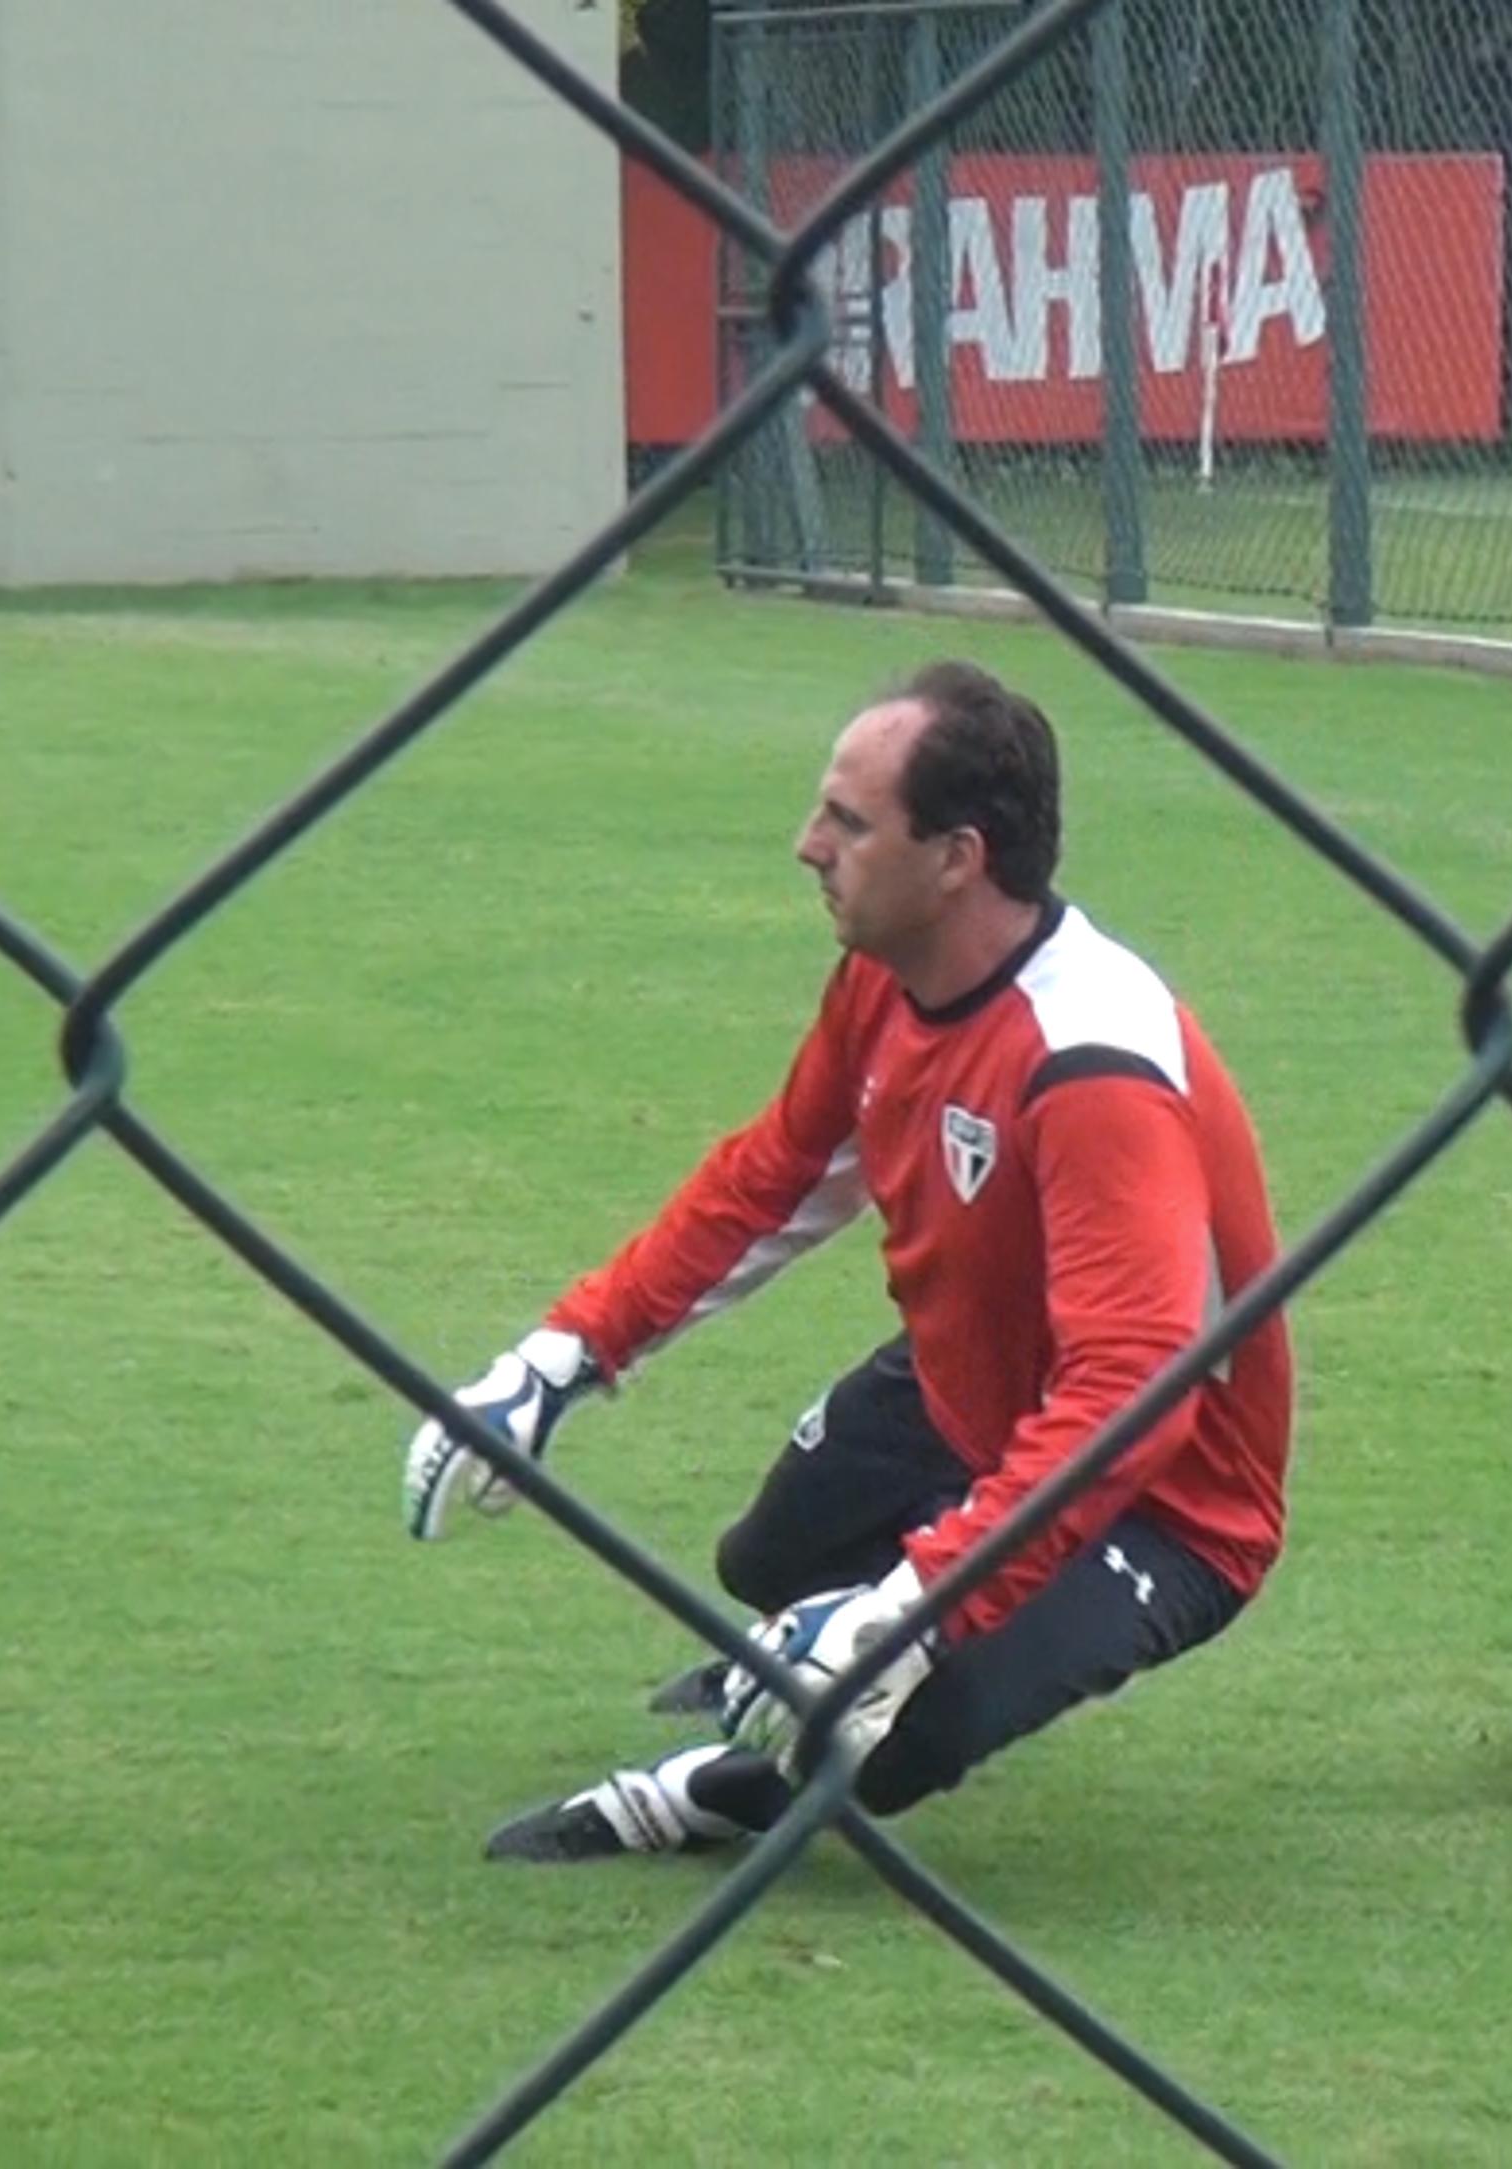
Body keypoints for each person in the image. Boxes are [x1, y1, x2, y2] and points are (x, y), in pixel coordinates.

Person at [399, 657, 1298, 1864]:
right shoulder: (887, 978)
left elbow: (1131, 1404)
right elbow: (774, 1179)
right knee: (765, 1558)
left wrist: (908, 1613)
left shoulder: (1093, 1070)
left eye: (849, 821)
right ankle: (823, 1648)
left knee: (896, 1738)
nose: (806, 845)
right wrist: (564, 1355)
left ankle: (715, 1784)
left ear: (957, 858)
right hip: (970, 1393)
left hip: (1165, 1496)